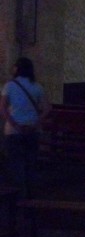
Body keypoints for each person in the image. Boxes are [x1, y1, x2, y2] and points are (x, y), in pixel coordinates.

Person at [0, 57, 51, 198]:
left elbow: (3, 108)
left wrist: (14, 124)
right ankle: (30, 195)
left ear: (17, 69)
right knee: (30, 162)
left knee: (16, 164)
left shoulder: (9, 86)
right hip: (33, 129)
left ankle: (18, 195)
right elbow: (47, 108)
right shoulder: (37, 86)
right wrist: (35, 123)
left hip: (13, 131)